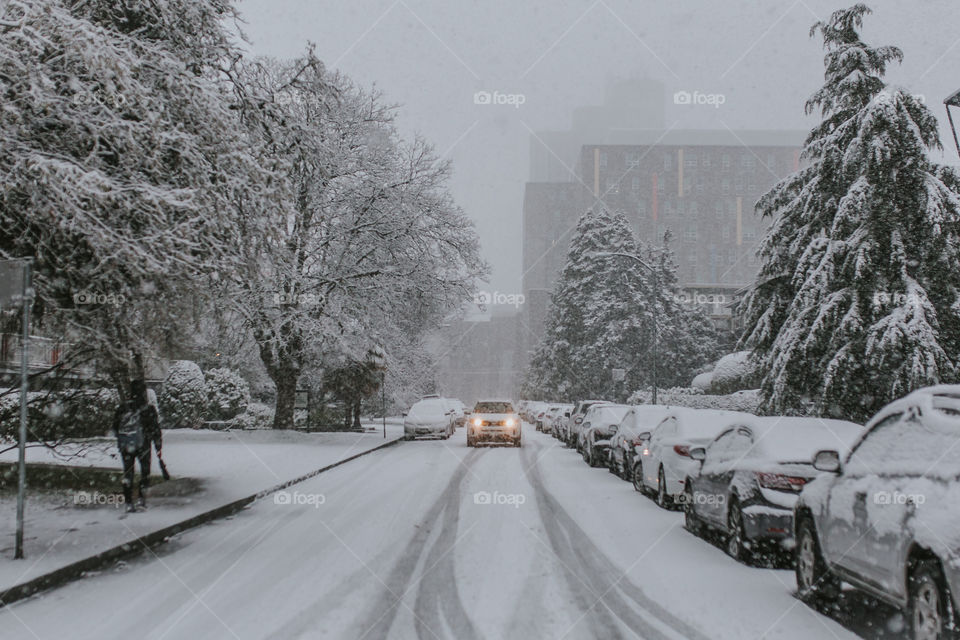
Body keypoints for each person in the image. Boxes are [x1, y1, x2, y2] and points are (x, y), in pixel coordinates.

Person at [114, 379, 162, 512]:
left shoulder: (123, 408)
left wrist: (121, 440)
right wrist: (158, 446)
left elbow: (115, 427)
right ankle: (141, 499)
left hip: (127, 445)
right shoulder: (148, 409)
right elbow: (155, 429)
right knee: (145, 472)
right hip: (143, 445)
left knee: (128, 472)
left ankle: (128, 501)